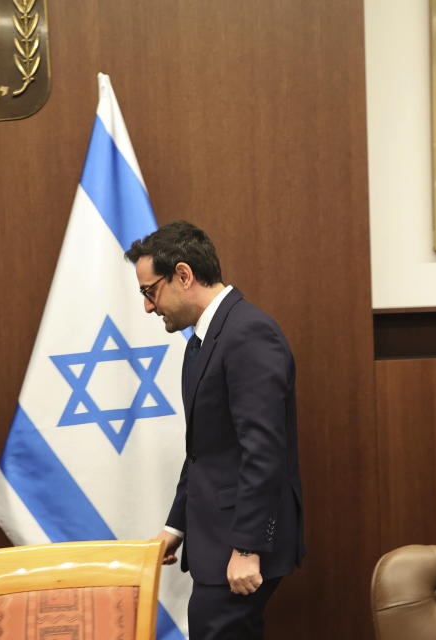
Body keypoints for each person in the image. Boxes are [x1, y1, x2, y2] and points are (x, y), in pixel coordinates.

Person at [124, 221, 305, 640]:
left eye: (149, 291)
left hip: (241, 543)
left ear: (183, 275)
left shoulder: (248, 334)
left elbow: (263, 451)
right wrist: (175, 528)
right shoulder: (200, 342)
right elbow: (204, 450)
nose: (149, 307)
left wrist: (247, 548)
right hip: (214, 539)